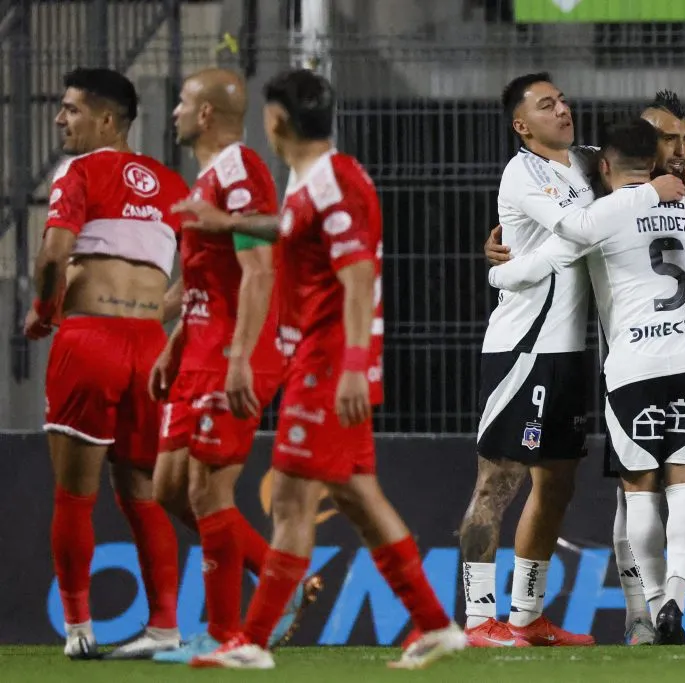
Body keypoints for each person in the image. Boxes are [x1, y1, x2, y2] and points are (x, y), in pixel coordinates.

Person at [171, 68, 464, 670]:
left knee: (292, 503)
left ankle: (250, 641)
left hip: (331, 361)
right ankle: (436, 625)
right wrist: (229, 225)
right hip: (323, 354)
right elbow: (285, 230)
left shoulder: (333, 181)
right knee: (357, 495)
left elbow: (359, 281)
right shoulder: (310, 181)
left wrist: (355, 365)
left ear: (276, 121)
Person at [484, 91, 685, 645]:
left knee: (636, 490)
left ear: (605, 166)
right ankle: (683, 602)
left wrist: (497, 272)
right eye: (668, 142)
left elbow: (547, 257)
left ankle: (647, 609)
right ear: (654, 155)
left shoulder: (594, 219)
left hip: (629, 370)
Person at [459, 72, 684, 648]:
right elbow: (582, 228)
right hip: (523, 346)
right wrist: (645, 192)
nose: (562, 109)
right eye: (546, 105)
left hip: (571, 350)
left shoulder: (587, 162)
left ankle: (527, 616)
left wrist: (683, 175)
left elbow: (651, 150)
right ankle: (479, 616)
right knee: (497, 482)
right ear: (521, 124)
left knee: (556, 482)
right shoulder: (523, 171)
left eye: (561, 99)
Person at [149, 68, 320, 664]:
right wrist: (174, 339)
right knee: (169, 487)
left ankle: (226, 635)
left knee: (206, 488)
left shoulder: (241, 171)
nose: (171, 110)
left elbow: (259, 271)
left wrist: (242, 358)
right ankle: (284, 580)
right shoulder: (208, 178)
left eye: (180, 101)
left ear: (203, 115)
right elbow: (206, 278)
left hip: (233, 352)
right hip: (198, 347)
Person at [24, 67, 190, 659]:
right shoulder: (174, 186)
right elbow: (196, 276)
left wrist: (44, 310)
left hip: (88, 339)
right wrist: (153, 313)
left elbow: (53, 253)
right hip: (148, 347)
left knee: (75, 496)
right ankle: (165, 628)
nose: (59, 118)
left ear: (108, 121)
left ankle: (78, 629)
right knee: (142, 495)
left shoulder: (80, 170)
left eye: (70, 109)